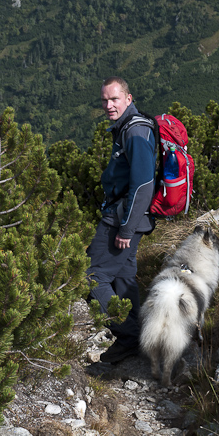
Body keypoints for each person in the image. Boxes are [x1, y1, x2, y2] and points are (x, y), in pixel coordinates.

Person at [86, 76, 157, 364]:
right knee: (124, 277)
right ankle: (140, 337)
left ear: (128, 98)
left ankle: (128, 336)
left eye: (114, 99)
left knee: (91, 277)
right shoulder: (129, 127)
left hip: (123, 220)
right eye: (104, 100)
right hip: (127, 217)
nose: (108, 105)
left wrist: (126, 228)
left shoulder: (136, 132)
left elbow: (143, 185)